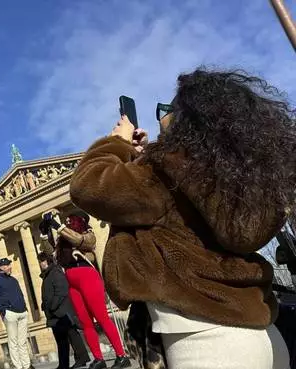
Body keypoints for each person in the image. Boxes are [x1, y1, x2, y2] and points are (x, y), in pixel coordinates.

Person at [70, 68, 295, 369]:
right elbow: (171, 213)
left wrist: (117, 143)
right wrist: (143, 155)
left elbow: (88, 185)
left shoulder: (167, 168)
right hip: (263, 335)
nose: (163, 114)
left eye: (168, 108)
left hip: (204, 342)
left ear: (190, 120)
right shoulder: (234, 174)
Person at [40, 212, 130, 369]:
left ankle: (121, 355)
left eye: (70, 220)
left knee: (101, 317)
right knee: (86, 322)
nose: (67, 221)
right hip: (72, 280)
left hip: (87, 276)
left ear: (80, 221)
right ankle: (98, 358)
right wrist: (43, 233)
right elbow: (51, 254)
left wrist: (59, 227)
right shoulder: (63, 242)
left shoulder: (88, 234)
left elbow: (79, 240)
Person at [37, 252, 90, 369]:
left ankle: (81, 358)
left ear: (48, 261)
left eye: (43, 260)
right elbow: (49, 293)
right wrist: (44, 305)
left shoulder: (54, 272)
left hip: (61, 312)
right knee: (62, 340)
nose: (42, 263)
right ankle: (65, 364)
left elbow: (61, 290)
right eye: (40, 261)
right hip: (56, 312)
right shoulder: (48, 274)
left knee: (71, 336)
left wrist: (52, 306)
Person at [0, 258, 32, 369]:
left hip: (22, 312)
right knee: (13, 342)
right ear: (1, 268)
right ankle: (18, 366)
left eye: (9, 265)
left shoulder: (13, 280)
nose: (9, 267)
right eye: (7, 265)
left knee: (22, 341)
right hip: (10, 313)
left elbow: (20, 294)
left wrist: (25, 308)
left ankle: (27, 366)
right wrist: (4, 311)